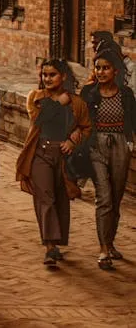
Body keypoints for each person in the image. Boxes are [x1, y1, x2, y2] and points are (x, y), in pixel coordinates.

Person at [16, 59, 91, 266]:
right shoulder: (36, 97)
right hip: (40, 153)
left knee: (61, 197)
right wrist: (60, 103)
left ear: (64, 77)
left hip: (64, 156)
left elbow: (86, 127)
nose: (47, 79)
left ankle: (57, 242)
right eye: (45, 75)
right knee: (45, 197)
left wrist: (73, 140)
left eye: (52, 75)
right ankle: (50, 247)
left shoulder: (77, 102)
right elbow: (40, 119)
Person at [80, 49, 135, 270]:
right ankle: (103, 249)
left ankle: (110, 242)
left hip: (121, 144)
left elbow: (133, 120)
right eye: (98, 68)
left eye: (105, 68)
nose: (101, 72)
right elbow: (80, 119)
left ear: (115, 71)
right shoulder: (89, 93)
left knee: (116, 196)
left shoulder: (126, 94)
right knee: (104, 196)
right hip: (96, 146)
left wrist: (131, 141)